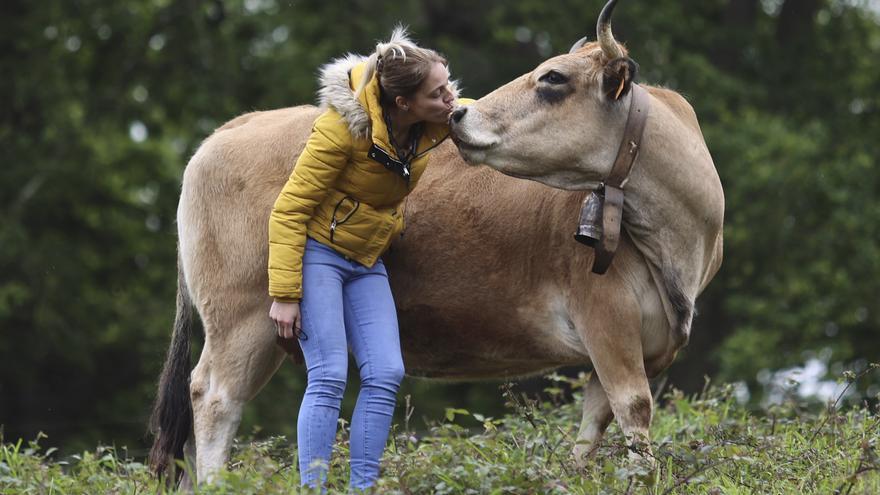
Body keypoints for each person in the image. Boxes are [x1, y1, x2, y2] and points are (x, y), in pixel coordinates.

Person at [267, 27, 464, 491]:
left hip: (367, 259)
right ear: (403, 104)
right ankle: (312, 488)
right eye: (438, 93)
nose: (449, 96)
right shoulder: (340, 130)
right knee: (330, 374)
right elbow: (288, 209)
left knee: (386, 372)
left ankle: (362, 489)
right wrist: (285, 295)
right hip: (319, 255)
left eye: (448, 83)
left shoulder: (427, 126)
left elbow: (477, 123)